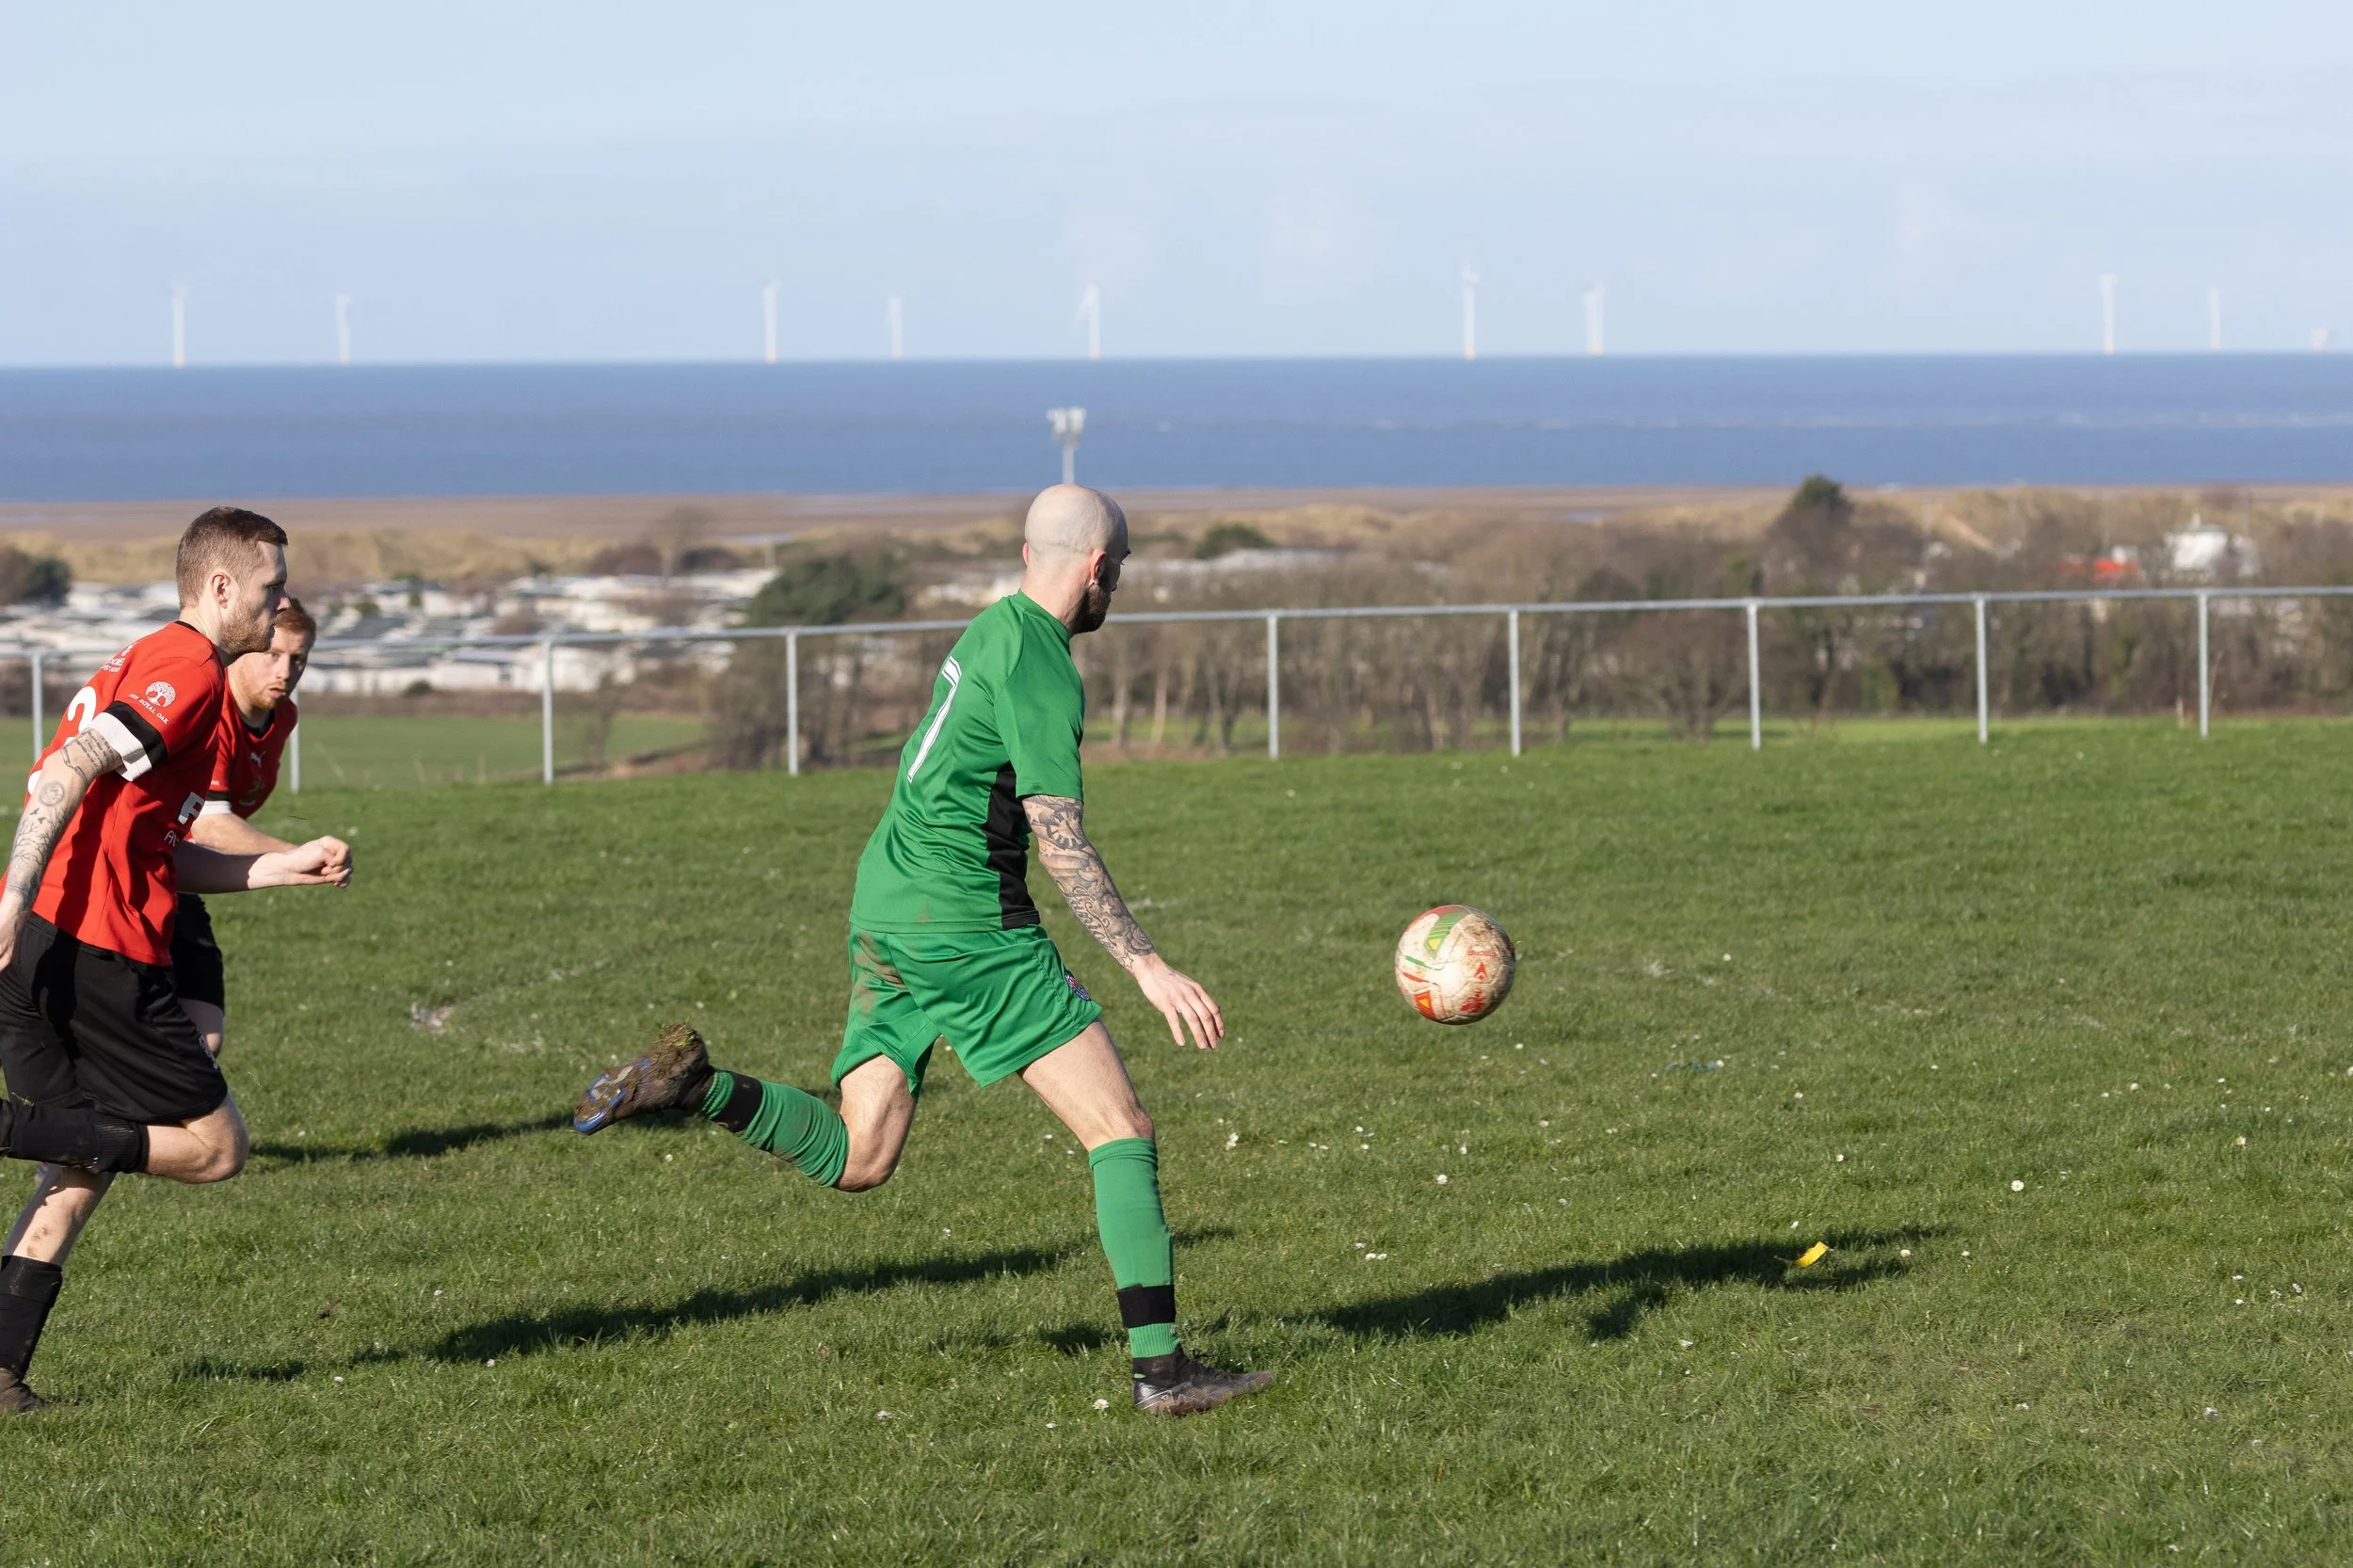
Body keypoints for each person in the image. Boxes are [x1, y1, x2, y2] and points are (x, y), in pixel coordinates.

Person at [573, 485, 1273, 1416]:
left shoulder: (991, 628)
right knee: (1121, 1129)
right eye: (1125, 569)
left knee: (861, 1155)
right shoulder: (1040, 663)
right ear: (1099, 569)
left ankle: (696, 1086)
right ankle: (1163, 1371)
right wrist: (1146, 964)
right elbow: (1058, 840)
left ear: (1031, 554)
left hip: (887, 905)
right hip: (965, 924)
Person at [0, 508, 351, 1412]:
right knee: (214, 1149)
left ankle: (0, 1373)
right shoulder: (189, 669)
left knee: (85, 1156)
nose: (279, 612)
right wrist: (9, 897)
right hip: (98, 948)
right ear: (222, 587)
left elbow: (155, 842)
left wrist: (280, 867)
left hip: (55, 939)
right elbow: (68, 768)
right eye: (271, 590)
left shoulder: (152, 654)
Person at [177, 597, 334, 1057]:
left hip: (183, 878)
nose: (285, 671)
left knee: (204, 1039)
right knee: (164, 1047)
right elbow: (211, 827)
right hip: (136, 879)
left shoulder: (283, 716)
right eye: (273, 654)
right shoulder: (209, 707)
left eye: (298, 658)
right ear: (247, 648)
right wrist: (300, 856)